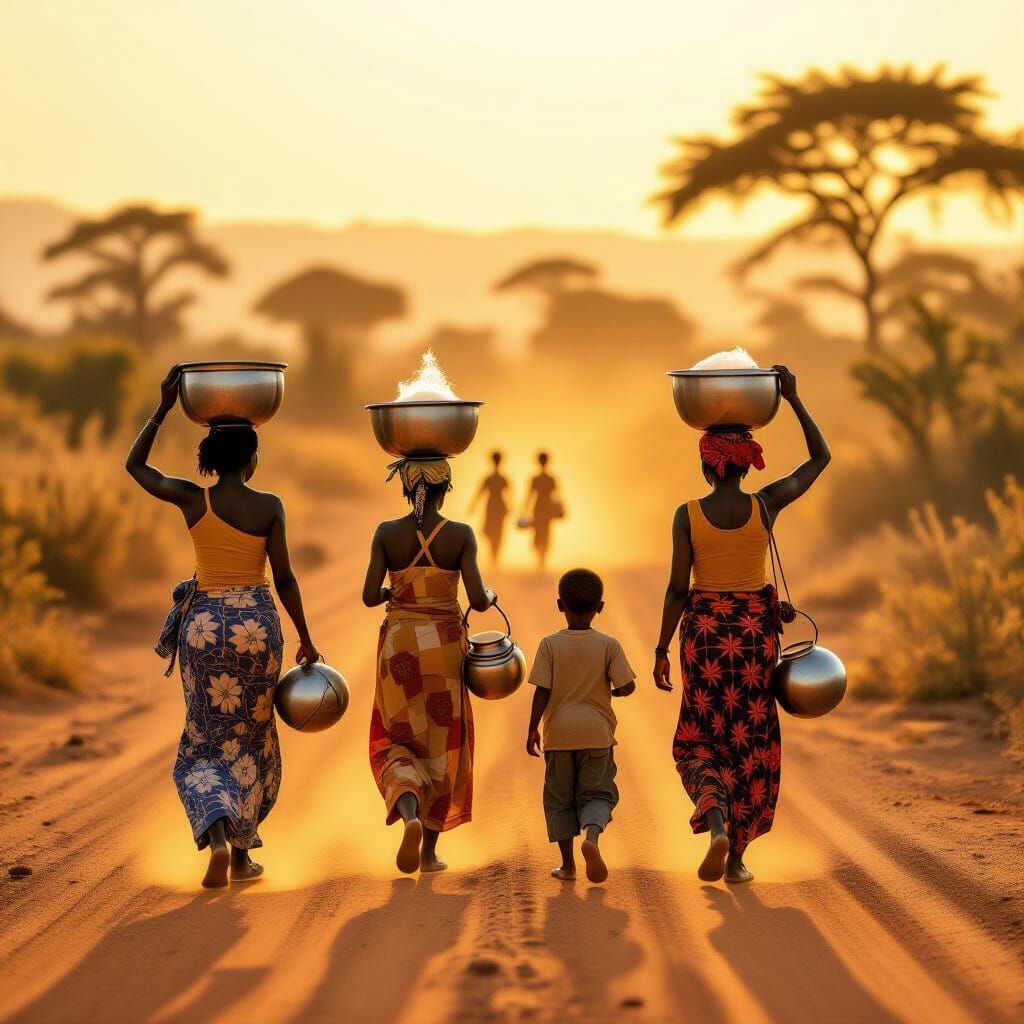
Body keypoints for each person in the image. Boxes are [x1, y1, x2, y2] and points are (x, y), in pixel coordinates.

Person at [126, 365, 319, 889]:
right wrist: (305, 636)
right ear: (251, 459)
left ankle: (214, 834)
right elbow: (285, 578)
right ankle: (240, 857)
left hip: (204, 628)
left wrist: (165, 407)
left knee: (206, 738)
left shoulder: (193, 499)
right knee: (253, 739)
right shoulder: (269, 506)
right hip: (256, 626)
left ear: (212, 458)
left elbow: (135, 466)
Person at [652, 365, 830, 884]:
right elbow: (821, 458)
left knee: (698, 739)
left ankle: (715, 823)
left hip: (704, 637)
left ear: (707, 467)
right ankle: (737, 858)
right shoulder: (766, 505)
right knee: (750, 740)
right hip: (754, 638)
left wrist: (662, 648)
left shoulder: (687, 515)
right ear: (747, 466)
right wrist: (794, 398)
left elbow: (676, 591)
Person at [362, 456, 495, 874]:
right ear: (446, 488)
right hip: (442, 648)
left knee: (395, 739)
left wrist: (394, 592)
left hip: (400, 647)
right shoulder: (460, 535)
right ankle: (428, 852)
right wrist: (488, 596)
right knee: (442, 745)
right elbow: (476, 600)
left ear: (405, 488)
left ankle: (410, 813)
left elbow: (369, 596)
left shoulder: (386, 533)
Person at [526, 569, 636, 884]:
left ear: (560, 605)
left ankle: (568, 865)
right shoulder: (608, 645)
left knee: (559, 799)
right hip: (597, 735)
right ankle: (592, 838)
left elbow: (542, 690)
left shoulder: (549, 645)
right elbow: (627, 686)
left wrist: (533, 728)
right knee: (598, 793)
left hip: (559, 735)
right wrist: (611, 691)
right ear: (600, 607)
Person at [521, 450, 563, 570]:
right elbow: (557, 496)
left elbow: (529, 496)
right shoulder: (549, 478)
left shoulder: (538, 478)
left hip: (540, 509)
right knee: (544, 534)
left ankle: (541, 559)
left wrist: (524, 510)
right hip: (544, 510)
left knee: (540, 534)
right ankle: (541, 558)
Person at [470, 449, 511, 564]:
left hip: (496, 507)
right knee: (490, 531)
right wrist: (473, 506)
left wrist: (511, 508)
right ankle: (494, 554)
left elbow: (509, 494)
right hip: (493, 507)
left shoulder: (500, 478)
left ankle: (495, 556)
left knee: (497, 532)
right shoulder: (491, 478)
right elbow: (480, 492)